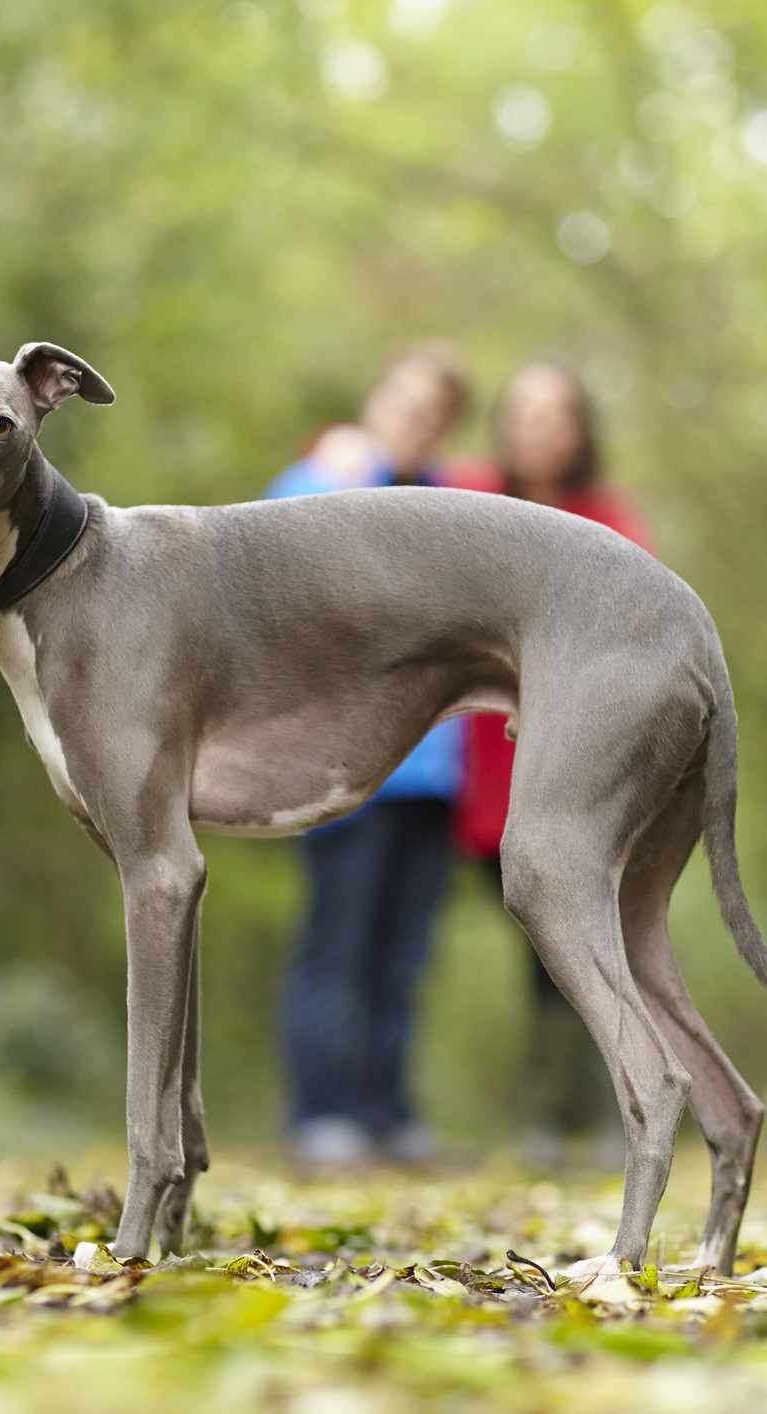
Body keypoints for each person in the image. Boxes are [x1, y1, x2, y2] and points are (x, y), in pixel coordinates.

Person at [268, 347, 473, 1170]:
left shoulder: (453, 504)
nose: (413, 420)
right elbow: (265, 571)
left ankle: (387, 1112)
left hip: (433, 773)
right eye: (403, 402)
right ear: (375, 400)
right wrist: (334, 466)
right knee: (337, 943)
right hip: (342, 767)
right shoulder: (321, 481)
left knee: (404, 954)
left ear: (445, 426)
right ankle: (322, 1112)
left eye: (431, 412)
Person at [448, 360, 651, 1166]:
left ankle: (606, 1116)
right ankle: (545, 1116)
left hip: (584, 772)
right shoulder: (465, 499)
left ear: (579, 430)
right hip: (488, 773)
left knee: (592, 940)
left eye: (554, 414)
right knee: (535, 946)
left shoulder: (608, 519)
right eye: (524, 412)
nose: (537, 428)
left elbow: (636, 629)